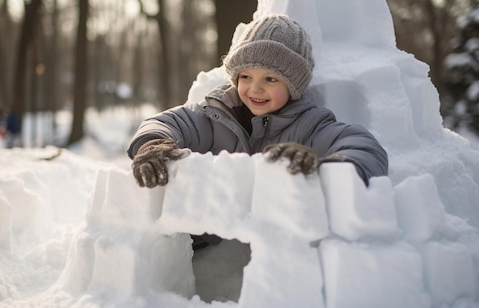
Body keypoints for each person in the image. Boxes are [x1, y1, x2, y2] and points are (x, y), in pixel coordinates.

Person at [127, 15, 388, 248]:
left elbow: (364, 147)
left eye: (271, 79)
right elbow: (168, 121)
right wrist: (153, 143)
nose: (255, 89)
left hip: (279, 245)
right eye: (246, 77)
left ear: (293, 85)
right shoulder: (214, 114)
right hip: (206, 237)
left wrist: (327, 170)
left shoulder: (308, 124)